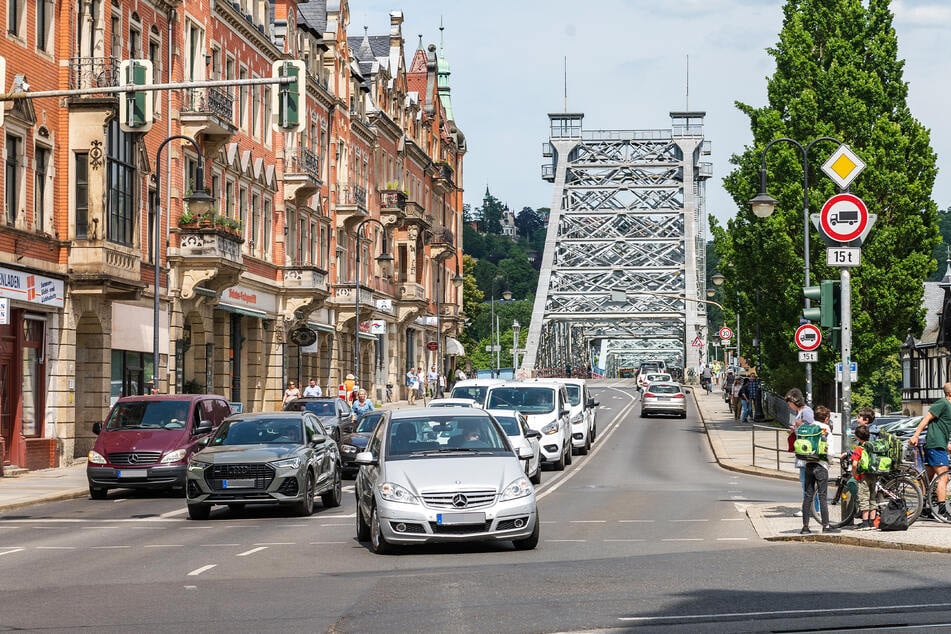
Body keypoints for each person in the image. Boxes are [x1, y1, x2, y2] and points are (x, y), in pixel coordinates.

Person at [909, 381, 951, 520]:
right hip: (935, 445)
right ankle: (942, 510)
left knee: (928, 478)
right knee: (943, 477)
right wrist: (916, 435)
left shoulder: (948, 406)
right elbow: (926, 418)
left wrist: (947, 444)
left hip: (938, 444)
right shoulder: (942, 403)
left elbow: (942, 427)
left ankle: (924, 507)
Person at [800, 405, 838, 534]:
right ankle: (826, 526)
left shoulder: (808, 427)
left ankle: (805, 526)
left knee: (807, 496)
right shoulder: (826, 429)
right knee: (822, 496)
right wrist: (830, 461)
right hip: (821, 465)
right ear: (826, 418)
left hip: (808, 464)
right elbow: (831, 451)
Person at [786, 387, 814, 517]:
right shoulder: (801, 412)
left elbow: (810, 429)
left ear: (794, 401)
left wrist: (797, 427)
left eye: (789, 403)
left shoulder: (806, 411)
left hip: (806, 451)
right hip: (802, 450)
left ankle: (809, 508)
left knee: (806, 482)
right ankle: (811, 508)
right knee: (805, 481)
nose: (789, 406)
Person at [850, 423, 878, 530]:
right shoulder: (872, 446)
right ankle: (872, 522)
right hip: (873, 475)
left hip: (863, 476)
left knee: (863, 498)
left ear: (857, 437)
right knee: (872, 498)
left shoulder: (859, 449)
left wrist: (855, 474)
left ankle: (865, 523)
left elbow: (854, 464)